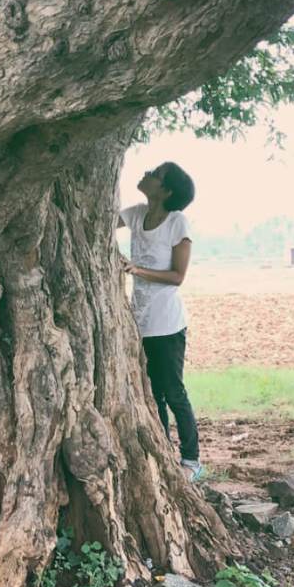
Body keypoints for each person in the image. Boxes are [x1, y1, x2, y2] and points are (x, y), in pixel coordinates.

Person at [117, 162, 202, 481]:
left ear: (166, 191)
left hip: (166, 325)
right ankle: (164, 451)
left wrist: (135, 269)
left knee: (172, 391)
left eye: (155, 174)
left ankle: (191, 460)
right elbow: (98, 221)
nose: (147, 173)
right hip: (138, 321)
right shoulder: (137, 213)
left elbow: (177, 276)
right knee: (150, 393)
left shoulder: (177, 222)